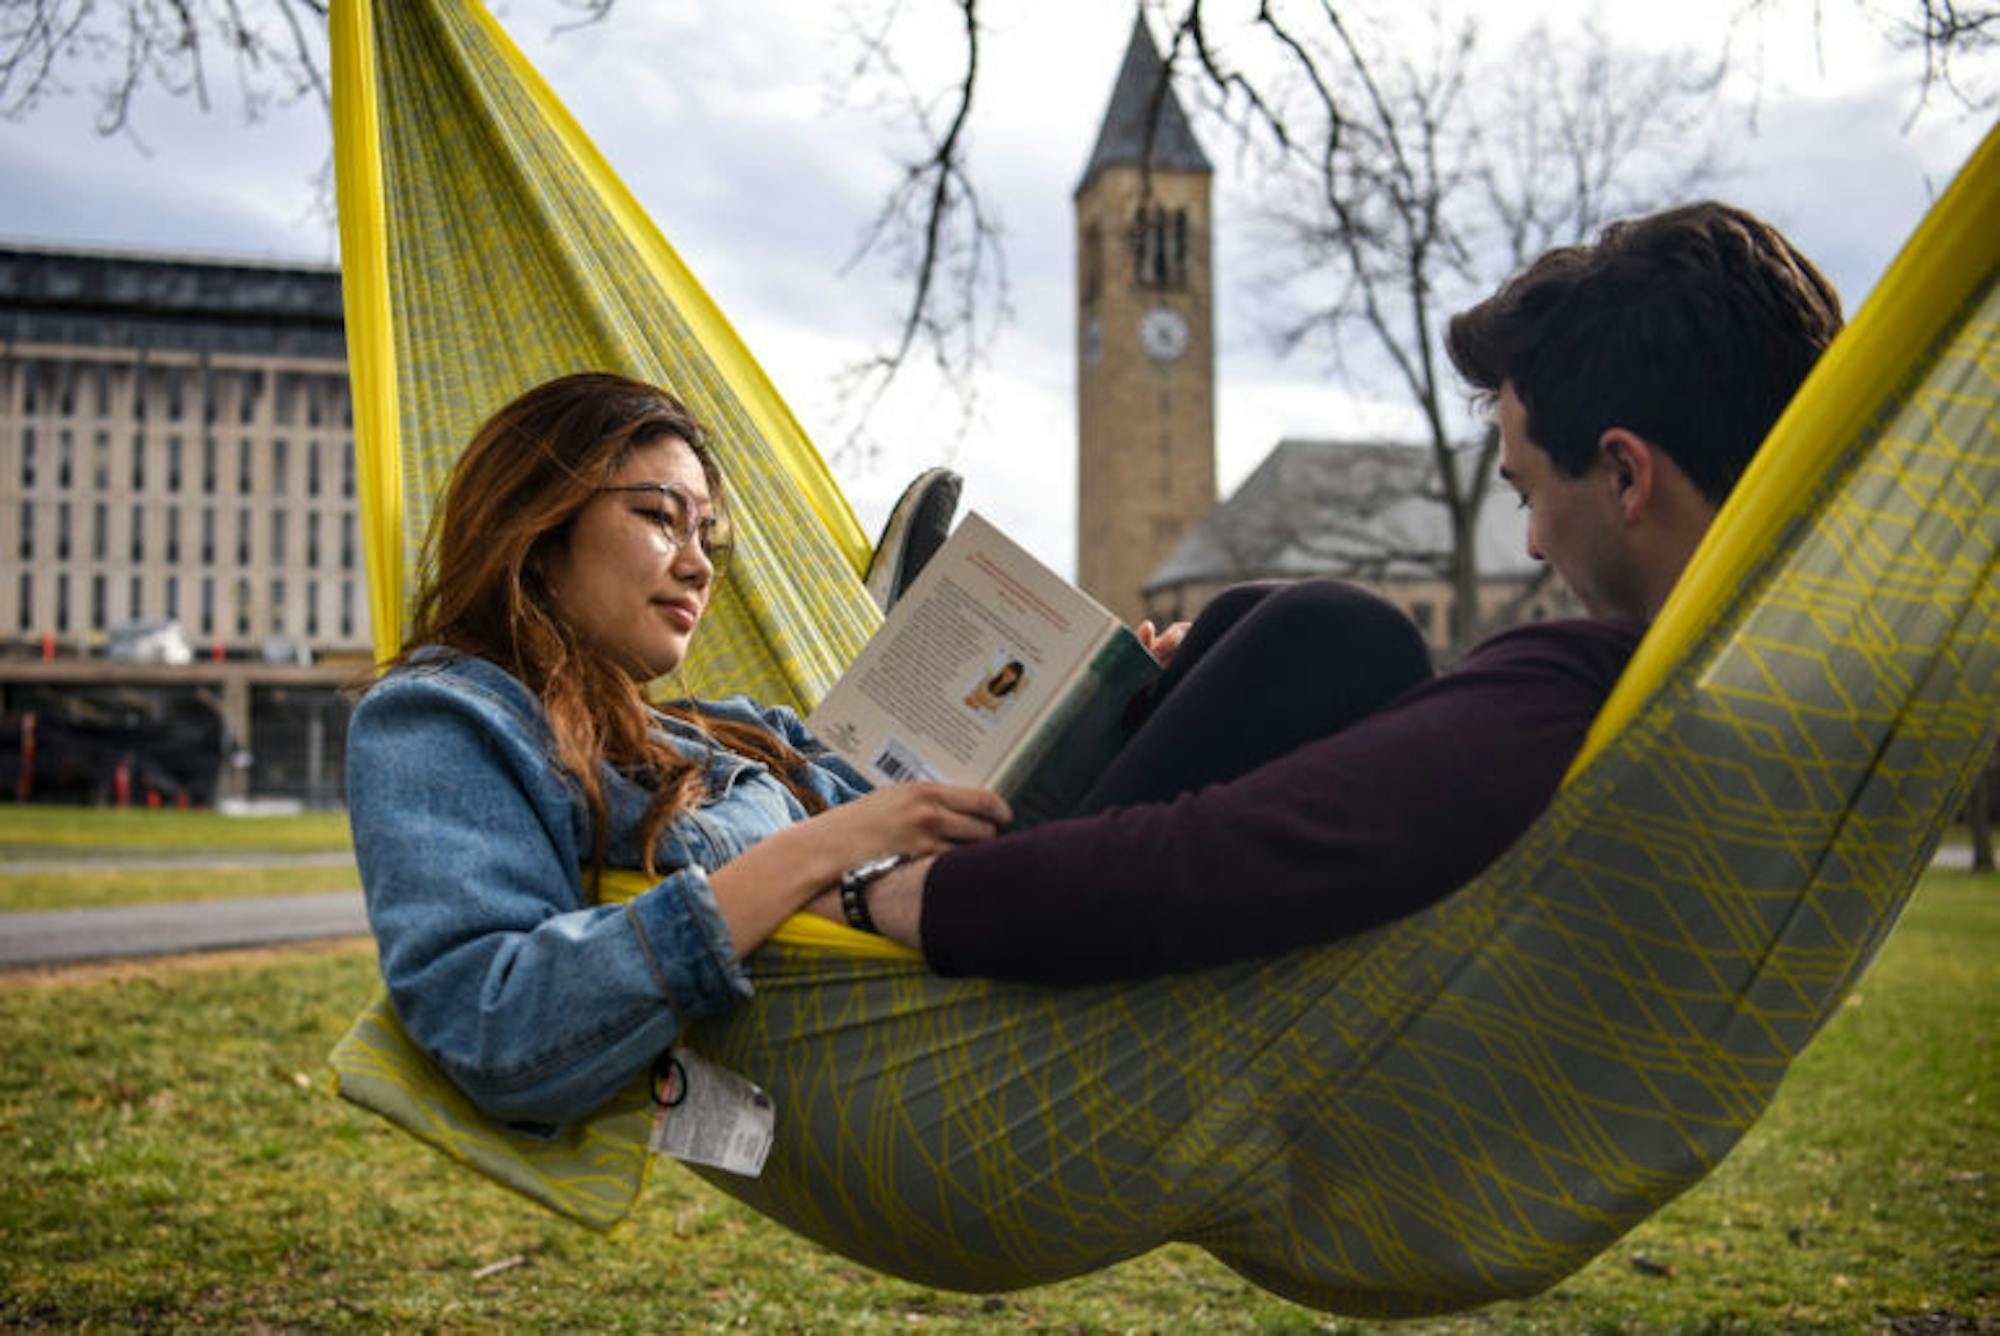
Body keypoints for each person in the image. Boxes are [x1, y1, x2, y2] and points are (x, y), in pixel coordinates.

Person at [816, 200, 1845, 983]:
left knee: (1336, 633)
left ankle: (870, 758)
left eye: (1525, 491)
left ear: (1623, 473)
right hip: (1324, 949)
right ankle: (994, 711)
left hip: (1045, 976)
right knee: (1243, 624)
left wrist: (876, 894)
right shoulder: (1798, 673)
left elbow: (1208, 863)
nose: (1528, 544)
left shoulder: (1582, 690)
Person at [345, 373, 1012, 1129]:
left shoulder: (725, 729)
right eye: (661, 517)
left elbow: (932, 796)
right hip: (931, 1052)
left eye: (707, 537)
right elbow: (498, 1031)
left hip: (992, 940)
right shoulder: (443, 718)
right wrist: (817, 852)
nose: (699, 566)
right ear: (535, 529)